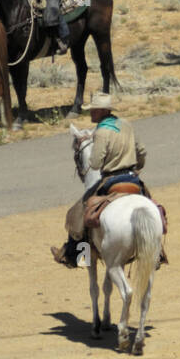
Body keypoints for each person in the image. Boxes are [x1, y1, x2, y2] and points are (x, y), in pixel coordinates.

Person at [51, 91, 147, 267]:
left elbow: (95, 163)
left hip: (111, 180)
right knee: (149, 203)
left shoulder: (102, 131)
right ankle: (157, 253)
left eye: (93, 110)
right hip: (133, 179)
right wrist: (137, 165)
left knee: (80, 212)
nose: (90, 113)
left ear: (102, 111)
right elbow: (141, 151)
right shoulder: (127, 125)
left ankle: (79, 257)